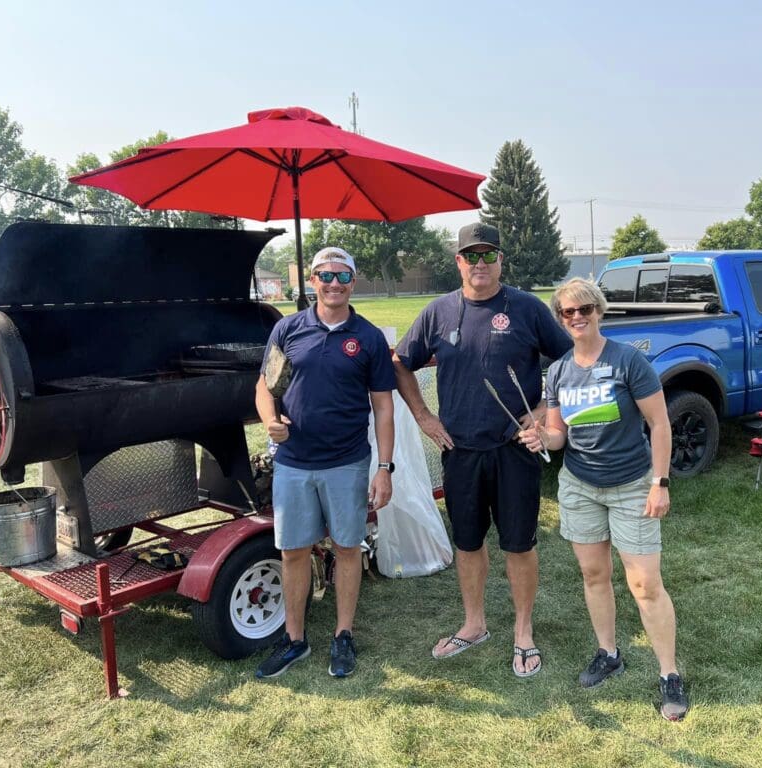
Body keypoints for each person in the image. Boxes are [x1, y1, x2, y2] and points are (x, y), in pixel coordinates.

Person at [393, 222, 573, 678]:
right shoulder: (438, 312)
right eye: (470, 255)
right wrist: (424, 417)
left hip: (514, 450)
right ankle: (474, 625)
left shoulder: (527, 308)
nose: (479, 264)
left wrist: (542, 412)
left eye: (487, 254)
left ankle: (523, 632)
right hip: (461, 451)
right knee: (468, 542)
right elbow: (400, 362)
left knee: (519, 543)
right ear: (458, 261)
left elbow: (571, 361)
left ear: (500, 260)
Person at [519, 277, 690, 721]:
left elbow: (661, 424)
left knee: (645, 585)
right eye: (568, 313)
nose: (577, 318)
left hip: (632, 484)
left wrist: (660, 482)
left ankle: (669, 673)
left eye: (585, 309)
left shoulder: (628, 361)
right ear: (561, 319)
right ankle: (608, 652)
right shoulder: (557, 371)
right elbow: (559, 436)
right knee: (594, 575)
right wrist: (541, 437)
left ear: (599, 310)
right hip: (580, 486)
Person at [253, 246, 396, 680]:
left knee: (347, 548)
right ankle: (294, 640)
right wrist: (270, 420)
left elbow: (384, 409)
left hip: (347, 462)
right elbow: (264, 386)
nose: (334, 284)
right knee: (293, 551)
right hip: (294, 462)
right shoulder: (287, 329)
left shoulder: (368, 337)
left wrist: (385, 468)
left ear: (354, 281)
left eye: (343, 276)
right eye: (325, 276)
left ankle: (343, 635)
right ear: (311, 280)